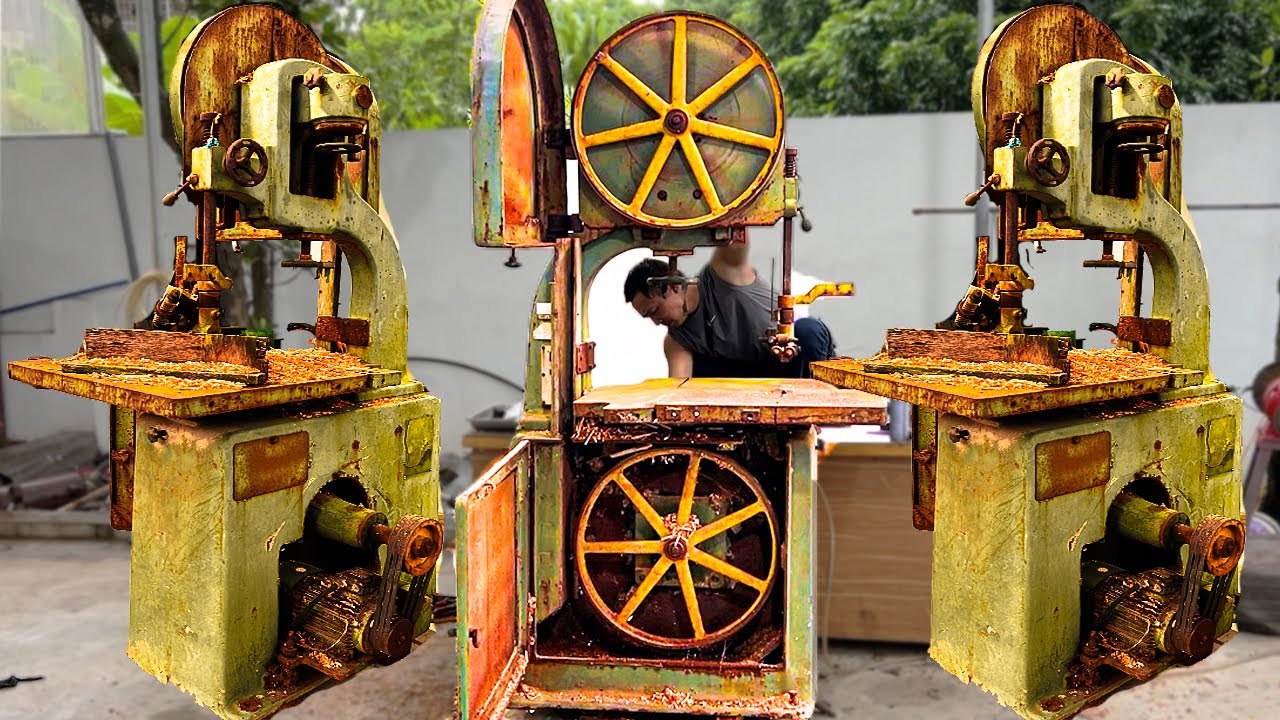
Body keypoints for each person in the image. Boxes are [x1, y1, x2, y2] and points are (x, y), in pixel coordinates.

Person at [623, 241, 835, 378]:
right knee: (698, 376)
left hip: (790, 364)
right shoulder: (676, 341)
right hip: (754, 381)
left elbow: (737, 234)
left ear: (672, 287)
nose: (656, 321)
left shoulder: (723, 272)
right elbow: (678, 393)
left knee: (809, 330)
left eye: (654, 311)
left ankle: (812, 412)